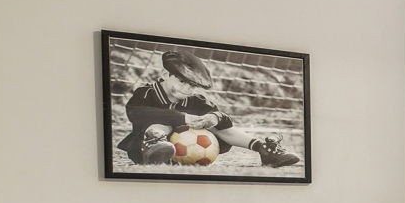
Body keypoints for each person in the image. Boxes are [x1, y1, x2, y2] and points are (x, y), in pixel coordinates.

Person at [116, 49, 301, 169]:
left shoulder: (195, 100)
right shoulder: (146, 93)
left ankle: (264, 149)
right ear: (165, 75)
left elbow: (224, 119)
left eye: (192, 85)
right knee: (162, 122)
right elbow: (136, 114)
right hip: (144, 147)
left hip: (185, 151)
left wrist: (214, 117)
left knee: (212, 122)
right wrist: (182, 118)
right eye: (182, 81)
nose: (186, 89)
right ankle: (155, 146)